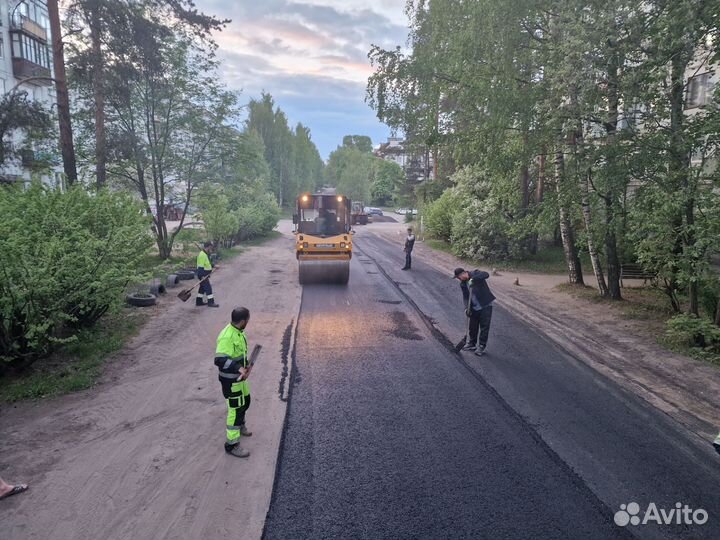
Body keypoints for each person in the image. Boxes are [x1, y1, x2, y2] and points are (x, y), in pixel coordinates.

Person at [214, 307, 254, 458]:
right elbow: (219, 360)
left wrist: (245, 368)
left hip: (240, 378)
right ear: (243, 321)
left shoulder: (238, 331)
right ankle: (232, 445)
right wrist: (238, 368)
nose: (248, 323)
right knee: (235, 410)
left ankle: (241, 425)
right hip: (231, 381)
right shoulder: (227, 336)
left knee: (246, 401)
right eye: (248, 320)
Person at [454, 267, 496, 356]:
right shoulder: (463, 284)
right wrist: (466, 308)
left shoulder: (475, 273)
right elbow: (465, 297)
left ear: (463, 273)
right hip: (474, 307)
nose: (458, 279)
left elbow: (486, 274)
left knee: (484, 327)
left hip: (485, 305)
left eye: (458, 277)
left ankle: (481, 346)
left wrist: (473, 279)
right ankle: (472, 343)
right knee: (473, 326)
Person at [196, 242, 219, 308]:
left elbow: (207, 264)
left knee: (202, 289)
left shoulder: (205, 254)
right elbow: (200, 267)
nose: (211, 248)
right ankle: (211, 302)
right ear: (208, 246)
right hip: (203, 274)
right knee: (208, 288)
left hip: (204, 274)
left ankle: (199, 302)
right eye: (211, 247)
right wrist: (202, 276)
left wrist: (214, 266)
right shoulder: (202, 255)